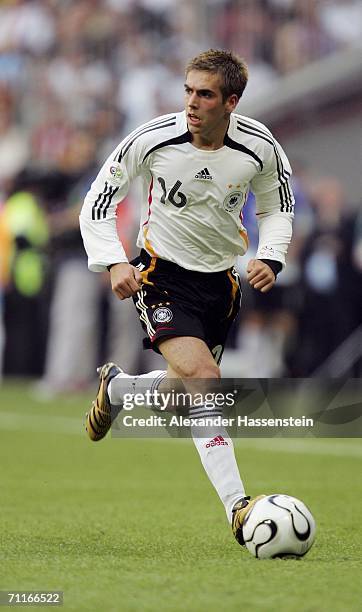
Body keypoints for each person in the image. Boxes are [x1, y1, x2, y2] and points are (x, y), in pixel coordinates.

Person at [79, 49, 294, 550]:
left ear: (231, 102)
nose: (192, 103)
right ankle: (239, 509)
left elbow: (278, 208)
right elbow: (97, 202)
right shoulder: (153, 138)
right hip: (160, 274)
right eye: (188, 90)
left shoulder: (261, 148)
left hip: (221, 285)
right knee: (203, 379)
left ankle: (117, 391)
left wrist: (273, 256)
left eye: (205, 94)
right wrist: (114, 261)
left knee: (181, 396)